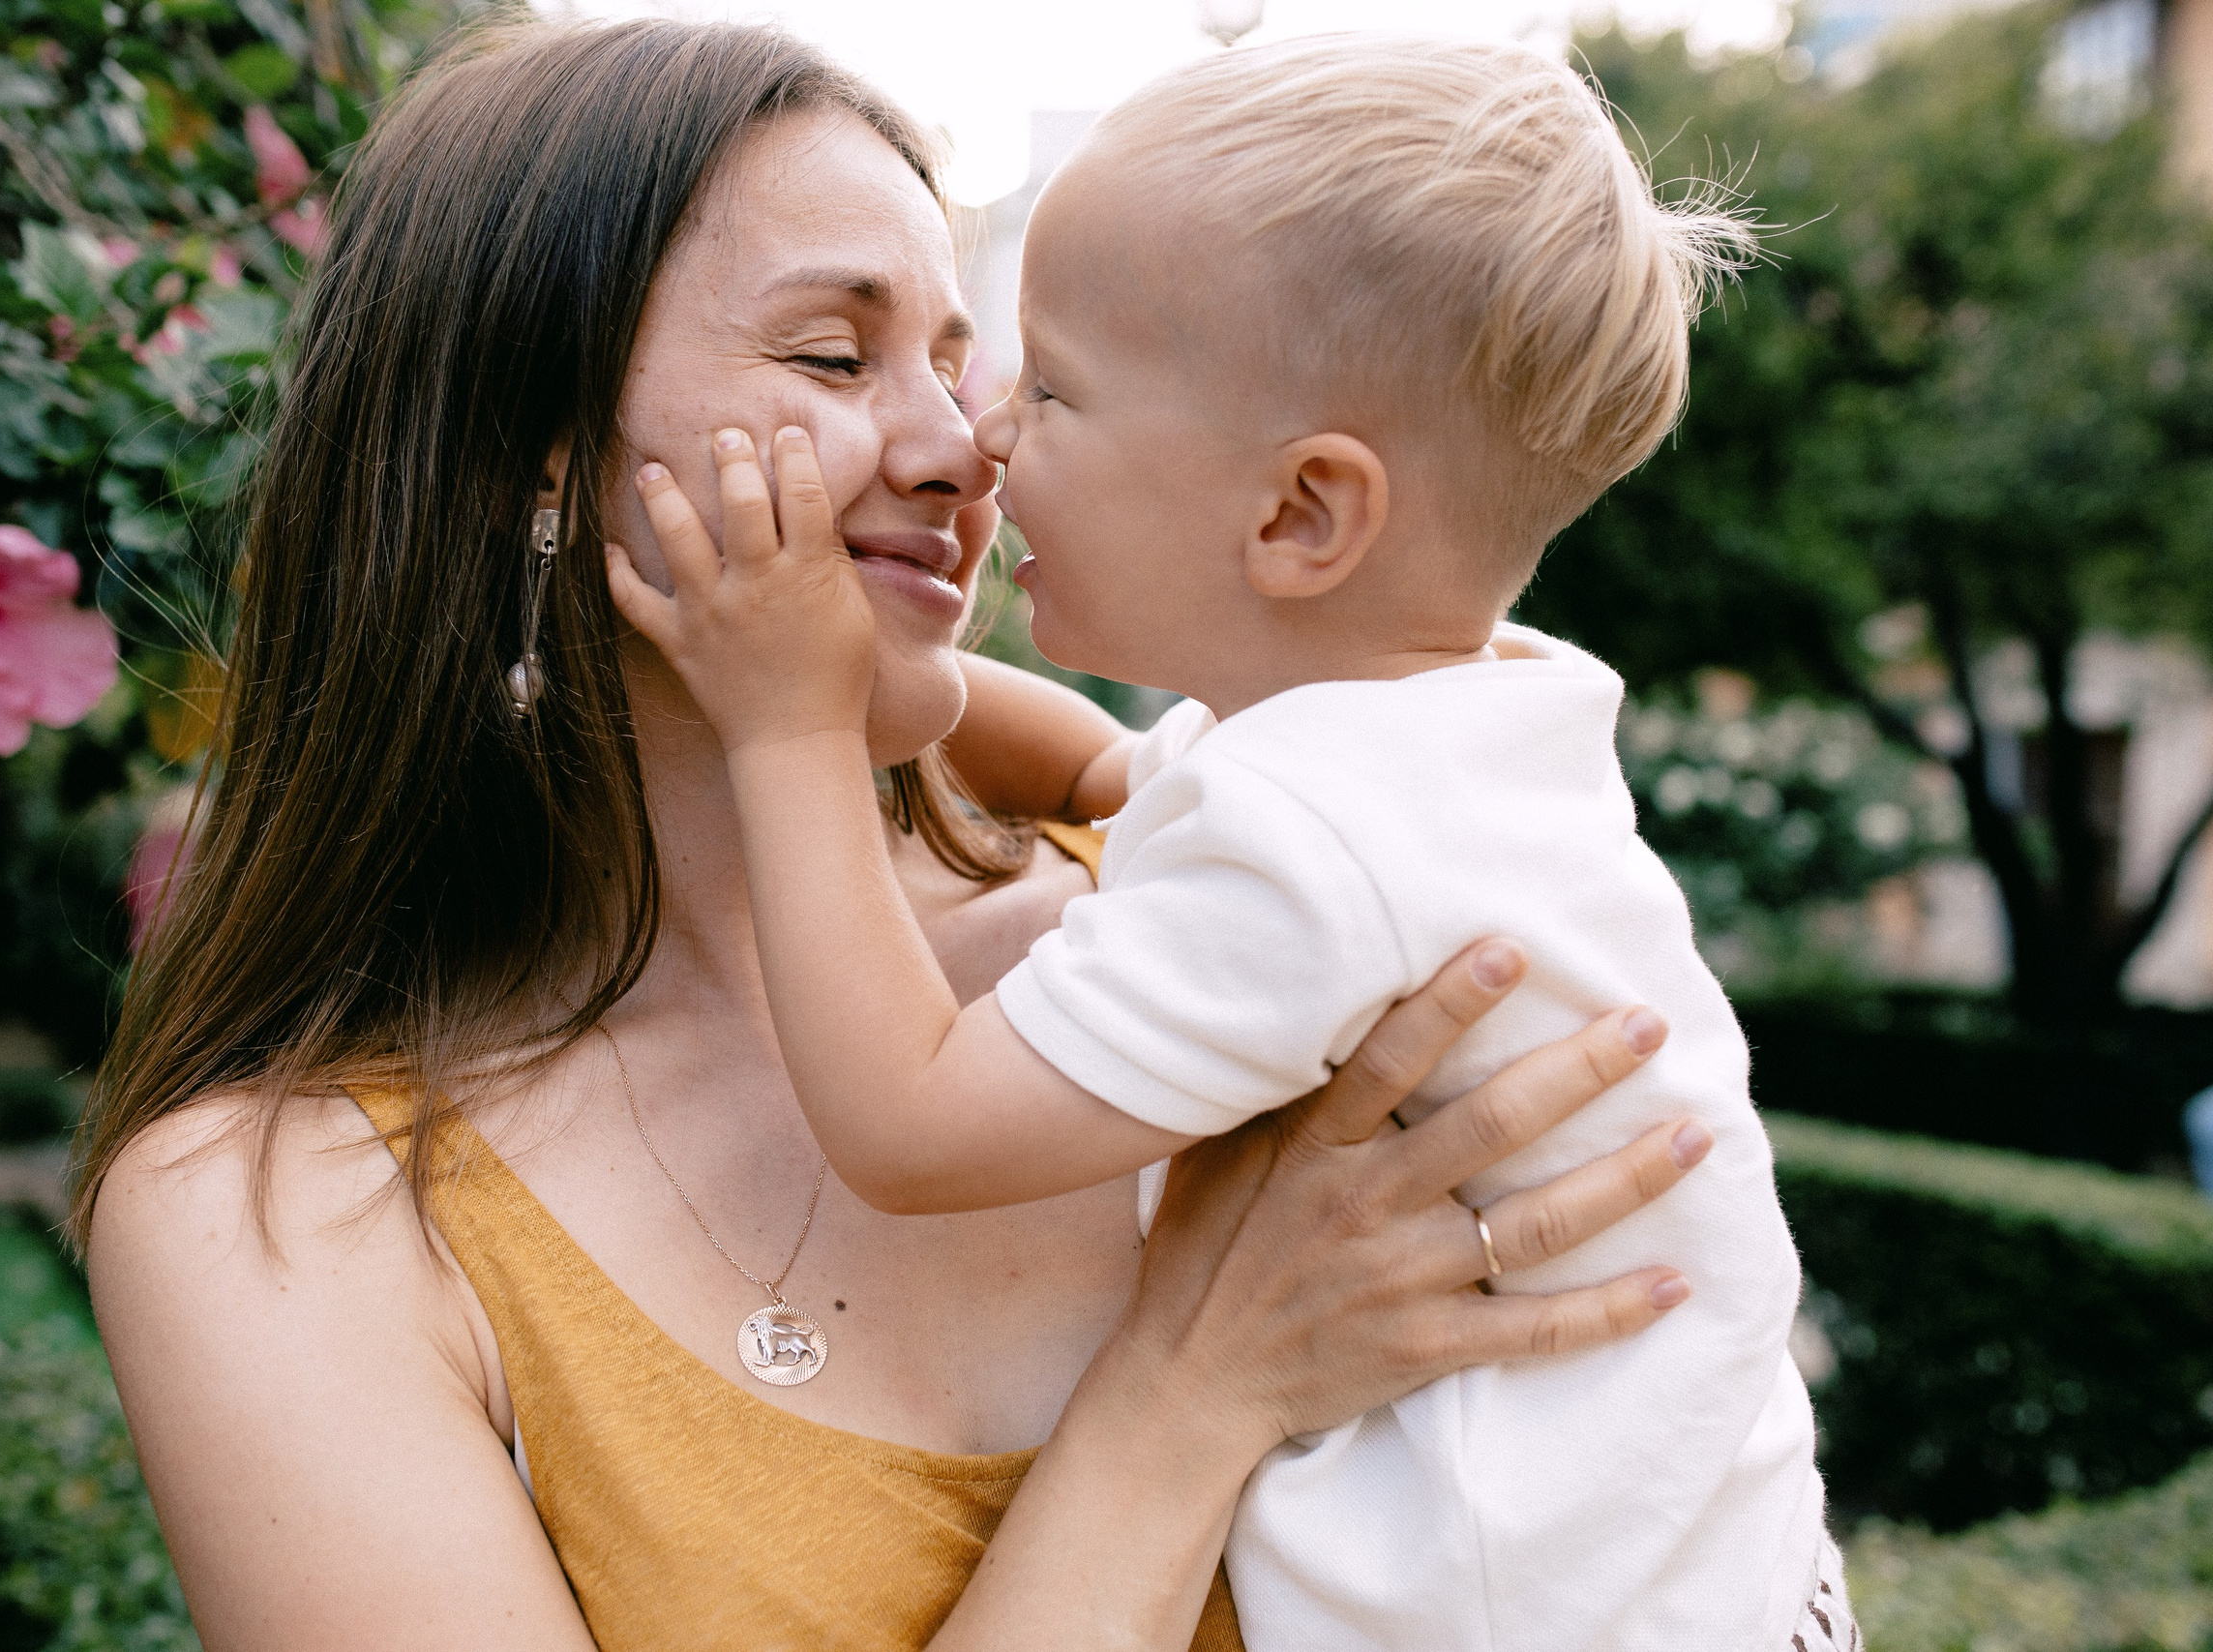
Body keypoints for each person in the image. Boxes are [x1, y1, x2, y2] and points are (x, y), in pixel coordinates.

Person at [74, 18, 1714, 1651]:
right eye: (833, 359)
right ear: (534, 452)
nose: (964, 448)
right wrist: (1190, 1392)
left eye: (967, 361)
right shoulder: (282, 1215)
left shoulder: (1215, 927)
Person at [605, 32, 1848, 1652]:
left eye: (1050, 388)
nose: (983, 439)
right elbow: (1130, 777)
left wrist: (785, 723)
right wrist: (872, 662)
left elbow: (911, 1124)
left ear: (1297, 517)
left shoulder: (1309, 836)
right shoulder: (1433, 742)